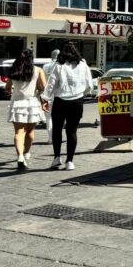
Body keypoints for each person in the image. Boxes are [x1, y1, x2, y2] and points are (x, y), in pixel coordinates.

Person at [40, 42, 93, 171]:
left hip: (60, 101)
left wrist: (45, 99)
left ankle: (57, 157)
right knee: (72, 131)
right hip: (77, 101)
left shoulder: (59, 66)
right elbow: (89, 85)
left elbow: (51, 84)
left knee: (57, 129)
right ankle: (70, 161)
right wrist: (81, 93)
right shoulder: (83, 66)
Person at [6, 50, 46, 170]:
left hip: (17, 103)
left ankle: (20, 157)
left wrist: (13, 92)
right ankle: (26, 153)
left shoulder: (13, 70)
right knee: (30, 132)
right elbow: (43, 87)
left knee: (19, 132)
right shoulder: (38, 70)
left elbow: (8, 88)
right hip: (32, 103)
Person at [43, 49, 59, 144]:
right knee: (59, 118)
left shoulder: (45, 66)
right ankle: (57, 136)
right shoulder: (62, 66)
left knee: (48, 117)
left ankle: (50, 138)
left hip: (47, 94)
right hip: (58, 95)